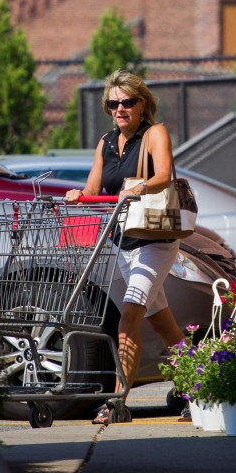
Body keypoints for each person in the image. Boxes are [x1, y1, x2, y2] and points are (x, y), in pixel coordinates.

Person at [65, 69, 185, 425]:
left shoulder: (154, 133)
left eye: (127, 102)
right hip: (123, 241)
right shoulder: (105, 142)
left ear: (142, 103)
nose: (120, 109)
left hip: (155, 240)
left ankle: (117, 402)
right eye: (114, 103)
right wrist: (79, 196)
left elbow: (165, 174)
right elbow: (94, 187)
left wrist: (139, 187)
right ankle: (204, 388)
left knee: (129, 316)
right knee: (163, 325)